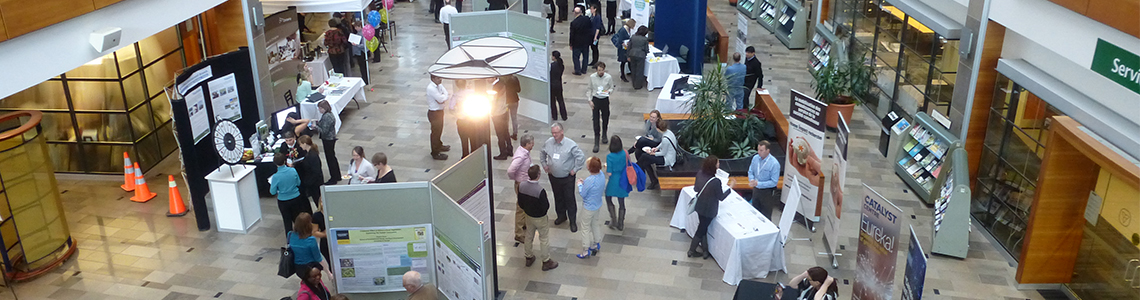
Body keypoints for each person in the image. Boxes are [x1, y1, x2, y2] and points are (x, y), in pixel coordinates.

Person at [540, 123, 586, 232]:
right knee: (558, 197)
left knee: (569, 199)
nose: (554, 135)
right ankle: (561, 216)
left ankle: (573, 221)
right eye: (552, 133)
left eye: (556, 133)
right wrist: (544, 164)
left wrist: (574, 170)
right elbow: (542, 153)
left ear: (562, 132)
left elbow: (581, 157)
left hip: (567, 178)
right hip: (554, 177)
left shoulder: (571, 145)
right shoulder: (548, 142)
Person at [689, 156, 733, 259]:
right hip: (709, 210)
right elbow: (721, 197)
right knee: (701, 230)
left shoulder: (700, 174)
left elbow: (696, 188)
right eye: (717, 163)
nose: (719, 165)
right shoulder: (715, 181)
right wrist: (730, 188)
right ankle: (691, 250)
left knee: (703, 227)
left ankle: (705, 251)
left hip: (700, 206)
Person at [518, 165, 560, 271]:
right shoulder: (540, 190)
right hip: (540, 218)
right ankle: (546, 261)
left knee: (528, 235)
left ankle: (528, 257)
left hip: (528, 215)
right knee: (544, 238)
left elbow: (520, 202)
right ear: (538, 175)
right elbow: (545, 206)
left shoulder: (522, 185)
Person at [271, 152, 310, 235]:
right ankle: (302, 235)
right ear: (285, 161)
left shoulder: (276, 176)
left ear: (275, 163)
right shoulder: (293, 170)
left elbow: (272, 191)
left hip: (283, 201)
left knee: (287, 221)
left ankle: (290, 241)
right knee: (297, 219)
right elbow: (298, 183)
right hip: (296, 197)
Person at [507, 134, 535, 243]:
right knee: (520, 208)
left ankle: (523, 224)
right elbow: (510, 170)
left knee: (524, 206)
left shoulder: (524, 152)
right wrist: (517, 179)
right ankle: (518, 233)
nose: (533, 145)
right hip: (522, 184)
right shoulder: (521, 156)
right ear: (527, 144)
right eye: (531, 143)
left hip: (523, 183)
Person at [575, 156, 605, 259]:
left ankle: (585, 249)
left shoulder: (589, 180)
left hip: (588, 207)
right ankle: (597, 242)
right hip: (597, 204)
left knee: (585, 228)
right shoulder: (601, 175)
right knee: (595, 224)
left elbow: (583, 194)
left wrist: (580, 185)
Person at [636, 119, 676, 190]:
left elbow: (663, 153)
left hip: (667, 160)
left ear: (658, 128)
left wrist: (653, 153)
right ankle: (651, 179)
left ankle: (638, 169)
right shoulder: (668, 133)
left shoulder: (665, 139)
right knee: (645, 160)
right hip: (668, 156)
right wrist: (656, 148)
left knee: (644, 157)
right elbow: (662, 144)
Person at [290, 213, 331, 280]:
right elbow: (318, 258)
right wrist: (328, 273)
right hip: (311, 268)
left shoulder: (290, 235)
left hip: (298, 268)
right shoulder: (311, 240)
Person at [586, 62, 615, 153]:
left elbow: (611, 87)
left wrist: (608, 92)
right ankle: (596, 140)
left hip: (604, 99)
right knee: (595, 120)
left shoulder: (608, 77)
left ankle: (604, 134)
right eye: (599, 70)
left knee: (605, 118)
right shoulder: (592, 77)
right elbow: (589, 89)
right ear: (596, 70)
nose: (601, 72)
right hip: (596, 99)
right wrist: (590, 100)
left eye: (602, 70)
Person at [749, 140, 780, 219]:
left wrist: (758, 184)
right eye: (758, 150)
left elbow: (774, 182)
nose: (759, 152)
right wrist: (751, 179)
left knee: (766, 215)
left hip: (767, 192)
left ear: (768, 151)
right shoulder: (755, 158)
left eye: (761, 150)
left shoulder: (774, 164)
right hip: (756, 190)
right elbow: (750, 171)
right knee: (755, 212)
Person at [604, 136, 629, 230]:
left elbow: (609, 173)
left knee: (608, 197)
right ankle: (621, 223)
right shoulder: (624, 153)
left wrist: (606, 167)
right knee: (621, 202)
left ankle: (613, 219)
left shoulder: (609, 156)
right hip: (623, 179)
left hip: (614, 179)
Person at [316, 100, 342, 185]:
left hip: (328, 139)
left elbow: (324, 131)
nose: (319, 110)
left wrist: (315, 127)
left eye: (320, 108)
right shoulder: (329, 114)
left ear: (323, 108)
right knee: (332, 158)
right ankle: (337, 175)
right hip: (330, 138)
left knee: (330, 159)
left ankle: (333, 178)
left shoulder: (327, 117)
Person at [426, 75, 451, 160]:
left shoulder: (439, 85)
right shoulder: (431, 88)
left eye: (440, 77)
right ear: (433, 79)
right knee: (435, 132)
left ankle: (439, 145)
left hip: (440, 111)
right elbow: (440, 99)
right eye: (438, 78)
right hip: (434, 113)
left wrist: (444, 97)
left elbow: (446, 93)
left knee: (439, 130)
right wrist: (443, 97)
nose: (440, 79)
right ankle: (435, 152)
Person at [296, 136, 325, 208]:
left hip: (315, 184)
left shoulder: (312, 155)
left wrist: (307, 182)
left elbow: (316, 172)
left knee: (318, 201)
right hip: (313, 182)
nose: (300, 146)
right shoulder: (310, 153)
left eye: (301, 144)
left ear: (305, 144)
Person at [491, 75, 515, 160]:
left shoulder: (495, 87)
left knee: (500, 134)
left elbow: (493, 101)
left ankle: (503, 153)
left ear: (494, 78)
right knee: (506, 131)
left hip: (497, 113)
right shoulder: (502, 84)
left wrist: (491, 111)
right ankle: (509, 149)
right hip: (504, 111)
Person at [495, 74, 522, 140]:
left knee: (506, 118)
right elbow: (518, 90)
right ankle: (515, 133)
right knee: (514, 117)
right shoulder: (515, 78)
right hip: (515, 100)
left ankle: (505, 133)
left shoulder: (502, 80)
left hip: (506, 101)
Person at [569, 6, 593, 75]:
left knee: (576, 57)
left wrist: (571, 44)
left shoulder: (573, 23)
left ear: (574, 13)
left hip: (577, 42)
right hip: (586, 42)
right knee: (585, 56)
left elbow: (572, 35)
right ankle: (584, 69)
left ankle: (577, 70)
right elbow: (590, 30)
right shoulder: (587, 19)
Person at [348, 20, 370, 84]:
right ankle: (365, 78)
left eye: (357, 27)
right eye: (355, 27)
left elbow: (363, 45)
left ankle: (365, 79)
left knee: (363, 66)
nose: (356, 28)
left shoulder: (362, 34)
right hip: (359, 52)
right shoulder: (359, 33)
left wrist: (356, 45)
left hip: (361, 52)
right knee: (362, 66)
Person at [743, 46, 764, 110]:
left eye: (749, 53)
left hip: (750, 82)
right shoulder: (747, 59)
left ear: (753, 53)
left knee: (745, 96)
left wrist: (759, 86)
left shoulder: (756, 63)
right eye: (746, 52)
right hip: (744, 80)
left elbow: (760, 75)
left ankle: (745, 109)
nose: (747, 54)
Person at [550, 51, 567, 121]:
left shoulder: (552, 66)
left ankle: (554, 116)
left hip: (552, 85)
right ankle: (564, 116)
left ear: (554, 57)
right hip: (559, 84)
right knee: (560, 100)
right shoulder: (561, 65)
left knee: (553, 101)